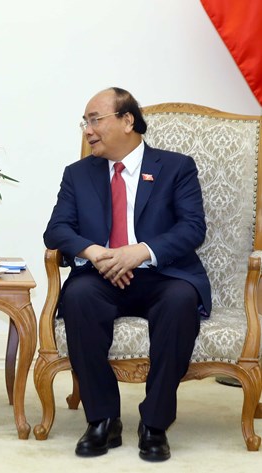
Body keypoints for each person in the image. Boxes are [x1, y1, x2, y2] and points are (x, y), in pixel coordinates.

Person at [44, 87, 210, 462]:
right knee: (78, 297)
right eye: (85, 122)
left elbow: (192, 228)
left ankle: (154, 423)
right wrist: (95, 252)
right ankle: (102, 419)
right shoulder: (78, 174)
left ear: (127, 120)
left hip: (161, 274)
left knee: (181, 302)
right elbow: (57, 229)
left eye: (95, 119)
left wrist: (140, 252)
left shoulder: (176, 167)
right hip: (101, 274)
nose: (88, 130)